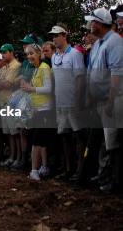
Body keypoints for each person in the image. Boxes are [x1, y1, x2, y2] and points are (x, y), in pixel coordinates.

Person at [84, 8, 123, 192]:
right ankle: (103, 175)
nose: (90, 25)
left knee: (113, 142)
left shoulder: (114, 41)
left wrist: (109, 100)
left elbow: (117, 73)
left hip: (113, 100)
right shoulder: (98, 44)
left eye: (92, 22)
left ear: (100, 23)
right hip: (100, 101)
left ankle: (114, 181)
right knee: (102, 142)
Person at [48, 24, 86, 181]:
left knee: (78, 137)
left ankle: (81, 170)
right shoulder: (54, 56)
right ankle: (68, 168)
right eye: (53, 36)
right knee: (64, 137)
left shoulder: (75, 54)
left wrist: (77, 101)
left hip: (72, 102)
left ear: (64, 35)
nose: (54, 38)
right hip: (60, 103)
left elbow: (80, 79)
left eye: (57, 35)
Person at [20, 44, 53, 180]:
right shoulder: (36, 69)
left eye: (32, 53)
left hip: (44, 109)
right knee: (41, 141)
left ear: (39, 54)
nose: (29, 57)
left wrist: (31, 89)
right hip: (37, 109)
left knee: (36, 141)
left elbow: (49, 88)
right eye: (27, 54)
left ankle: (34, 170)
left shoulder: (44, 68)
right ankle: (43, 167)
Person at [0, 43, 22, 168]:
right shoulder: (4, 67)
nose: (3, 54)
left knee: (15, 133)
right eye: (2, 52)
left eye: (5, 52)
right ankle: (12, 157)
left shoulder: (16, 66)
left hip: (11, 103)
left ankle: (18, 158)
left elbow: (7, 84)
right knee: (9, 133)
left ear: (11, 52)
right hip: (3, 103)